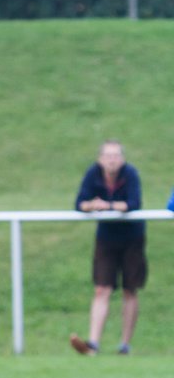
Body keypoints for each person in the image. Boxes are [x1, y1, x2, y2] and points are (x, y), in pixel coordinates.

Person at [69, 140, 143, 356]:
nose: (112, 160)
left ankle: (124, 346)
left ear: (122, 158)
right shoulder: (93, 174)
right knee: (102, 288)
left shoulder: (130, 174)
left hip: (132, 236)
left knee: (130, 289)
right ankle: (93, 344)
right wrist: (92, 205)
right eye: (108, 156)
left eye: (116, 155)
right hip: (106, 237)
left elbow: (133, 203)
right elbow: (79, 203)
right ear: (100, 159)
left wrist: (107, 205)